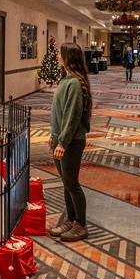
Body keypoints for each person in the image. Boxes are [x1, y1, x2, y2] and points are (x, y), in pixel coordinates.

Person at [48, 43, 92, 242]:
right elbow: (58, 112)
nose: (57, 55)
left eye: (61, 53)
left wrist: (63, 142)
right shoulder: (65, 80)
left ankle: (80, 224)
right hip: (60, 137)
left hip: (71, 140)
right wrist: (53, 134)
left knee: (72, 183)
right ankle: (71, 219)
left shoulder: (74, 83)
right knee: (66, 182)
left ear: (68, 57)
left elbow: (72, 116)